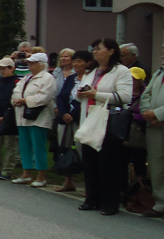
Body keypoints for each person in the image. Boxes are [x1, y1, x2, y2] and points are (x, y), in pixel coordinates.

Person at [76, 38, 133, 215]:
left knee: (108, 164)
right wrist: (80, 93)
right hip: (89, 119)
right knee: (90, 162)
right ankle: (92, 199)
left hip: (107, 121)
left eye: (99, 48)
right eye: (93, 49)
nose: (95, 52)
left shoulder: (121, 71)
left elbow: (125, 96)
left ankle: (110, 203)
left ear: (111, 51)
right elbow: (78, 94)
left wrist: (96, 94)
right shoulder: (91, 72)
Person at [11, 52, 57, 188]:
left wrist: (25, 100)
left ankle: (41, 176)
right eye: (29, 62)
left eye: (33, 63)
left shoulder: (47, 78)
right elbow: (16, 91)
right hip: (22, 116)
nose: (29, 65)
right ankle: (26, 173)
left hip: (39, 117)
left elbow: (44, 97)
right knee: (24, 146)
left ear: (41, 64)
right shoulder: (27, 77)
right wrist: (16, 100)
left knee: (38, 147)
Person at [53, 50, 93, 192]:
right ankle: (68, 181)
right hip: (65, 120)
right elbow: (61, 96)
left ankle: (89, 186)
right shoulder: (71, 78)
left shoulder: (90, 79)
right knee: (65, 149)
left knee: (83, 151)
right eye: (74, 61)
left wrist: (73, 115)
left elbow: (85, 100)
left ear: (88, 63)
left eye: (79, 61)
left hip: (81, 119)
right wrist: (63, 113)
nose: (76, 64)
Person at [140, 44, 164, 216]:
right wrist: (147, 113)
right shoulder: (158, 73)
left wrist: (158, 114)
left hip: (159, 120)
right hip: (154, 127)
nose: (163, 55)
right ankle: (160, 203)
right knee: (157, 165)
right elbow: (145, 95)